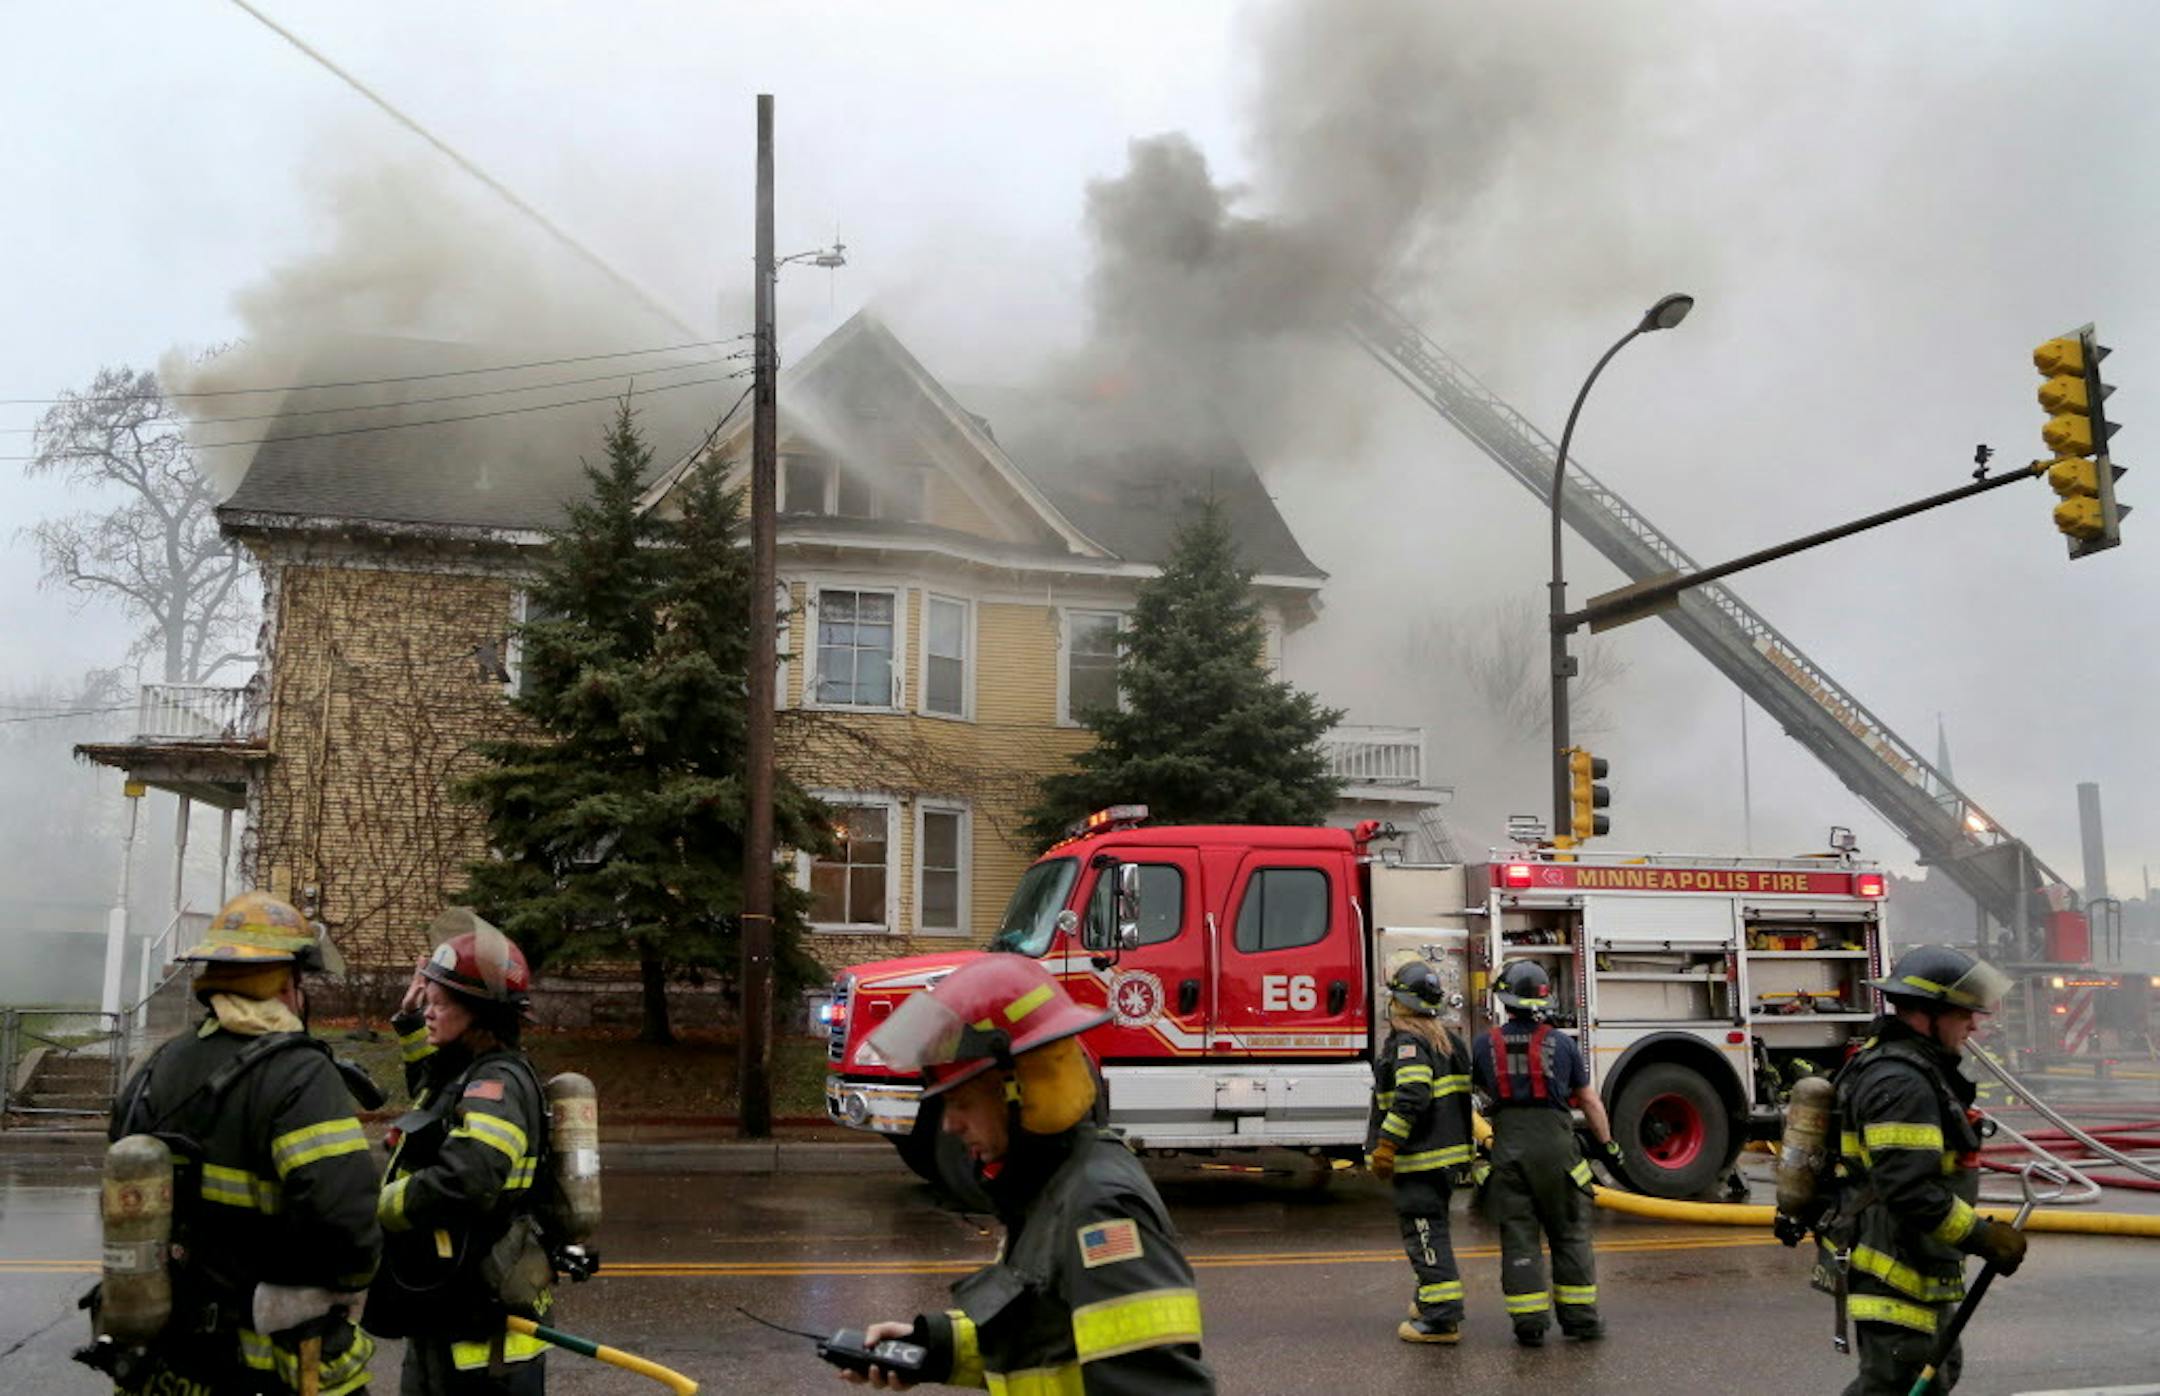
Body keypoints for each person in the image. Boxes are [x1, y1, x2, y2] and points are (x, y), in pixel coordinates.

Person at [840, 955, 1214, 1393]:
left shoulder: (1100, 1211)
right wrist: (930, 1347)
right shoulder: (1050, 1187)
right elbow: (1043, 1335)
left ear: (1020, 1092)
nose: (949, 1125)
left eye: (961, 1101)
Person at [102, 890, 381, 1396]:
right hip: (265, 1365)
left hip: (169, 1358)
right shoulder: (300, 1075)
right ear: (285, 983)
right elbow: (347, 1222)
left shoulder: (164, 1063)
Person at [366, 910, 554, 1394]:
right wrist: (412, 1023)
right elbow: (433, 1098)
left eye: (441, 1003)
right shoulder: (468, 1071)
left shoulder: (497, 1084)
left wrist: (384, 1206)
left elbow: (468, 1176)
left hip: (486, 1339)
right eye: (429, 1000)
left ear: (481, 1015)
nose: (429, 1010)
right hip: (450, 1308)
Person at [1830, 945, 2024, 1396]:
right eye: (1963, 1014)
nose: (1974, 1025)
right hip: (1894, 1270)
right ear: (1927, 1013)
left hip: (1911, 1264)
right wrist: (1984, 1238)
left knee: (1926, 1377)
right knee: (1897, 1385)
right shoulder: (1902, 1083)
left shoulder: (1907, 1068)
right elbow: (1907, 1188)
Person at [1468, 958, 1617, 1346]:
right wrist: (1608, 1147)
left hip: (1509, 1150)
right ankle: (1581, 1321)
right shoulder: (1563, 1044)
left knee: (1519, 1235)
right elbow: (1589, 1101)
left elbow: (1477, 1095)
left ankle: (1529, 1323)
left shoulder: (1485, 1044)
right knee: (1569, 1233)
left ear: (1505, 999)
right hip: (1557, 1150)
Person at [1367, 959, 1476, 1344]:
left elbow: (1412, 1095)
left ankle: (1441, 1318)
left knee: (1425, 1235)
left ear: (1401, 1004)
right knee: (1433, 1229)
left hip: (1420, 1161)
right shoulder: (1448, 1039)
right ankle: (1427, 1298)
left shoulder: (1408, 1043)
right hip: (1445, 1161)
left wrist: (1386, 1145)